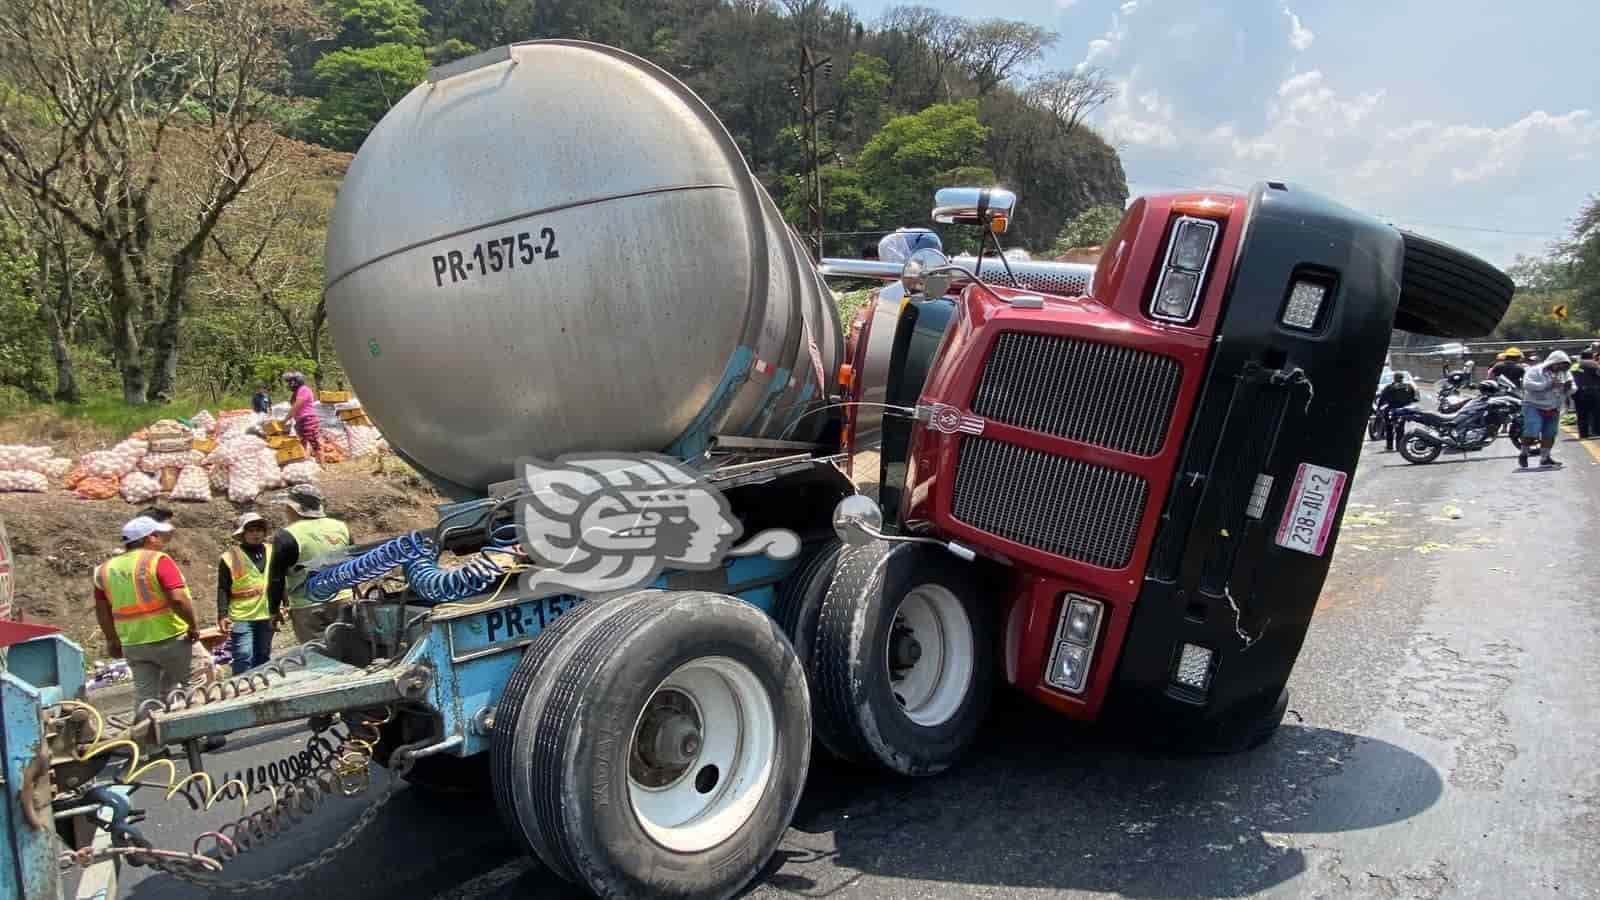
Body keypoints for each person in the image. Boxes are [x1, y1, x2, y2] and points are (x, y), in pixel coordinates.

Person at [92, 516, 204, 716]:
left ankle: (153, 745)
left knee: (147, 698)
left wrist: (112, 639)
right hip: (170, 637)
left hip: (134, 643)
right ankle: (204, 733)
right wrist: (193, 625)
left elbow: (102, 610)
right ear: (150, 538)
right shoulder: (158, 560)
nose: (162, 539)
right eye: (159, 535)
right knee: (197, 681)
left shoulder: (104, 570)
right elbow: (178, 599)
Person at [268, 484, 355, 644]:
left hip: (308, 607)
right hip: (344, 599)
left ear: (295, 508)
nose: (286, 511)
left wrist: (273, 610)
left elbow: (276, 578)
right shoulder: (341, 527)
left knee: (319, 655)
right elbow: (353, 563)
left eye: (287, 507)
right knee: (349, 647)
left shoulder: (288, 535)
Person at [218, 512, 275, 674]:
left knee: (263, 655)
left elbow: (279, 580)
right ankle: (241, 688)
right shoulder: (229, 557)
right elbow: (223, 588)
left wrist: (283, 605)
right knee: (244, 655)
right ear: (243, 534)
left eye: (259, 529)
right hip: (241, 615)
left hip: (266, 613)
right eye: (251, 530)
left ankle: (261, 687)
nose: (256, 534)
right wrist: (222, 614)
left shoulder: (273, 551)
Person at [1519, 350, 1574, 468]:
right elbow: (1527, 385)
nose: (1561, 368)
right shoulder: (1535, 371)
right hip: (1534, 405)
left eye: (1564, 366)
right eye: (1559, 365)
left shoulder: (1565, 373)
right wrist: (1548, 384)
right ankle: (1524, 453)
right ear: (1553, 362)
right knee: (1532, 429)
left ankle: (1545, 457)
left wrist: (1568, 388)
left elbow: (1573, 388)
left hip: (1554, 406)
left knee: (1550, 433)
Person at [280, 371, 322, 460]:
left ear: (296, 381)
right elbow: (294, 409)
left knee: (315, 443)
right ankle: (307, 464)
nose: (289, 384)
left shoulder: (303, 390)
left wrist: (285, 420)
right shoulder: (296, 393)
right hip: (300, 421)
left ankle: (323, 466)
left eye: (290, 382)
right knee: (302, 443)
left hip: (308, 420)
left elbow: (296, 407)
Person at [1376, 371, 1418, 451]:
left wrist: (1379, 408)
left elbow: (1382, 399)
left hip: (1391, 409)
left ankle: (1389, 446)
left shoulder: (1389, 387)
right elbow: (1414, 398)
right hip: (1403, 410)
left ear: (1394, 378)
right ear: (1402, 378)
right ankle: (1399, 446)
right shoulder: (1409, 387)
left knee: (1389, 427)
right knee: (1401, 428)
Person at [1574, 350, 1600, 439]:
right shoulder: (1594, 364)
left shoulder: (1575, 365)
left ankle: (1583, 433)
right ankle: (1596, 431)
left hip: (1577, 392)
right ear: (1591, 356)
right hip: (1592, 391)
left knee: (1581, 413)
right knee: (1596, 412)